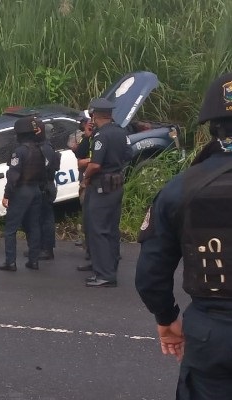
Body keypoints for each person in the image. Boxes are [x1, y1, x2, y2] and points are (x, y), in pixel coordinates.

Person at [135, 72, 232, 399]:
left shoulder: (181, 189)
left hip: (212, 339)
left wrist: (167, 320)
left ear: (212, 126)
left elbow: (150, 276)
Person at [80, 98, 132, 287]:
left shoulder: (101, 135)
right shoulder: (121, 131)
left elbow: (95, 165)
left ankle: (105, 275)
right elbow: (129, 154)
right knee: (111, 229)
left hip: (101, 186)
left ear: (94, 115)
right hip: (116, 184)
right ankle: (110, 266)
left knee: (98, 230)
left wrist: (85, 177)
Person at [0, 116, 45, 271]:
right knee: (34, 226)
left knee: (11, 228)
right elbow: (44, 173)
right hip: (36, 190)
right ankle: (34, 260)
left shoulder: (19, 152)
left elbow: (13, 176)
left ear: (19, 134)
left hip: (22, 191)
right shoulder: (39, 150)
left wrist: (7, 195)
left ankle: (10, 261)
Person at [24, 121, 62, 260]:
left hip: (44, 187)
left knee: (45, 219)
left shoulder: (45, 147)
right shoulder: (38, 146)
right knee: (36, 219)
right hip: (38, 186)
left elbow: (44, 169)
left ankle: (47, 249)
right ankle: (38, 247)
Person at [73, 116, 94, 267]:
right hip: (86, 181)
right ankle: (90, 251)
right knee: (87, 217)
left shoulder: (105, 137)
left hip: (95, 182)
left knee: (95, 221)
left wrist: (88, 162)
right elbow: (79, 153)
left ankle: (101, 254)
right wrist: (87, 137)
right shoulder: (87, 137)